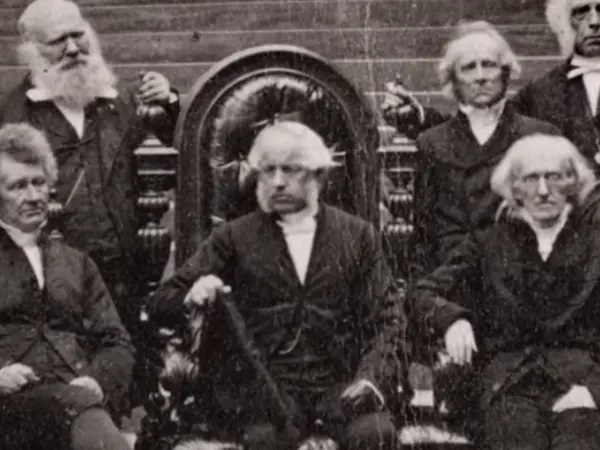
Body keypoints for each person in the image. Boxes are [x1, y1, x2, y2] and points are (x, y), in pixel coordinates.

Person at [147, 121, 407, 450]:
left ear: (317, 176)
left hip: (339, 385)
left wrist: (370, 379)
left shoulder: (358, 236)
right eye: (268, 171)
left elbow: (388, 318)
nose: (278, 182)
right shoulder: (233, 237)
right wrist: (193, 293)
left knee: (375, 434)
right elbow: (161, 300)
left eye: (291, 169)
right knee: (264, 440)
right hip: (264, 392)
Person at [407, 132, 600, 449]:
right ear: (514, 188)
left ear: (572, 183)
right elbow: (422, 293)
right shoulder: (488, 243)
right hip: (507, 385)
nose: (542, 191)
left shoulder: (594, 241)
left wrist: (594, 389)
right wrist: (452, 319)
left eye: (554, 177)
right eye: (531, 179)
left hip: (582, 382)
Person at [0, 0, 180, 333]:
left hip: (127, 276)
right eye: (58, 41)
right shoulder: (13, 116)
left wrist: (167, 99)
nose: (72, 48)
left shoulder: (119, 103)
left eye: (77, 35)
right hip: (55, 286)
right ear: (32, 49)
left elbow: (160, 163)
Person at [0, 123, 134, 450]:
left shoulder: (76, 262)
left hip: (76, 401)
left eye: (39, 183)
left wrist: (97, 381)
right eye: (18, 186)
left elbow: (116, 341)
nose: (34, 196)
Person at [406, 21, 558, 276]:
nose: (480, 77)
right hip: (452, 283)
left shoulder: (540, 136)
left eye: (489, 65)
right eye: (468, 68)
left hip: (519, 282)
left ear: (506, 72)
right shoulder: (432, 144)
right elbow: (423, 239)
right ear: (453, 79)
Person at [384, 0, 600, 175]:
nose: (594, 22)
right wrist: (419, 116)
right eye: (581, 12)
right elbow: (485, 126)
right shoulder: (542, 90)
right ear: (564, 22)